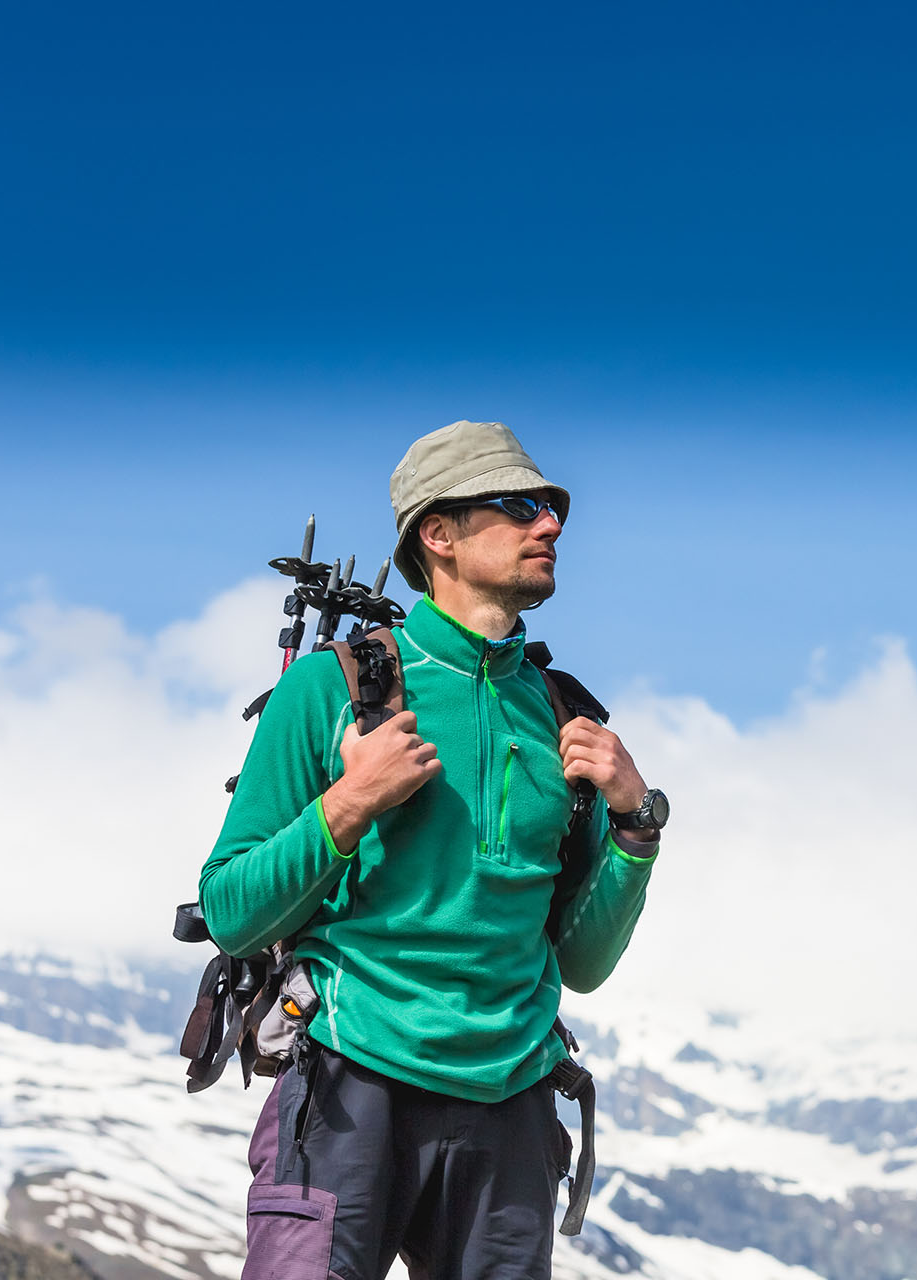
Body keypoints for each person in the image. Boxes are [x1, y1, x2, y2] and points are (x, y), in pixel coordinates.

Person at [199, 420, 668, 1280]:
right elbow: (231, 911)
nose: (552, 525)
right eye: (522, 506)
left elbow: (584, 962)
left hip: (511, 1101)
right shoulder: (329, 690)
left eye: (554, 508)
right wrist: (348, 804)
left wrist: (638, 823)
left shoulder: (565, 716)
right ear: (438, 534)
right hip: (350, 1084)